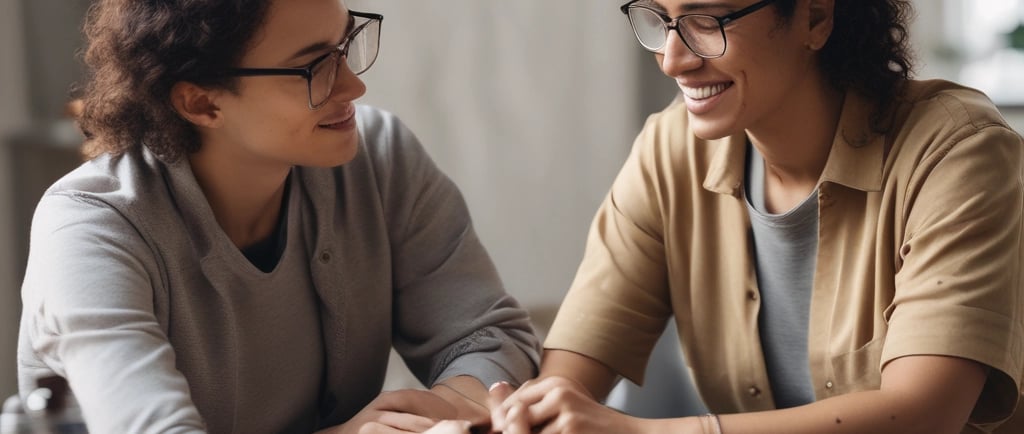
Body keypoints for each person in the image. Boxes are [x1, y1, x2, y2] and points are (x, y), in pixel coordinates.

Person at [490, 0, 1023, 433]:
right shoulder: (670, 150)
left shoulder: (958, 153)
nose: (674, 59)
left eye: (707, 21)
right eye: (660, 19)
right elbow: (568, 382)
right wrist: (514, 415)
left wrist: (641, 433)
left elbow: (922, 415)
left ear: (814, 18)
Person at [16, 0, 540, 432]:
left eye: (345, 45)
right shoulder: (90, 229)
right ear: (202, 103)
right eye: (314, 66)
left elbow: (490, 337)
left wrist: (436, 415)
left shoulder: (378, 155)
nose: (353, 86)